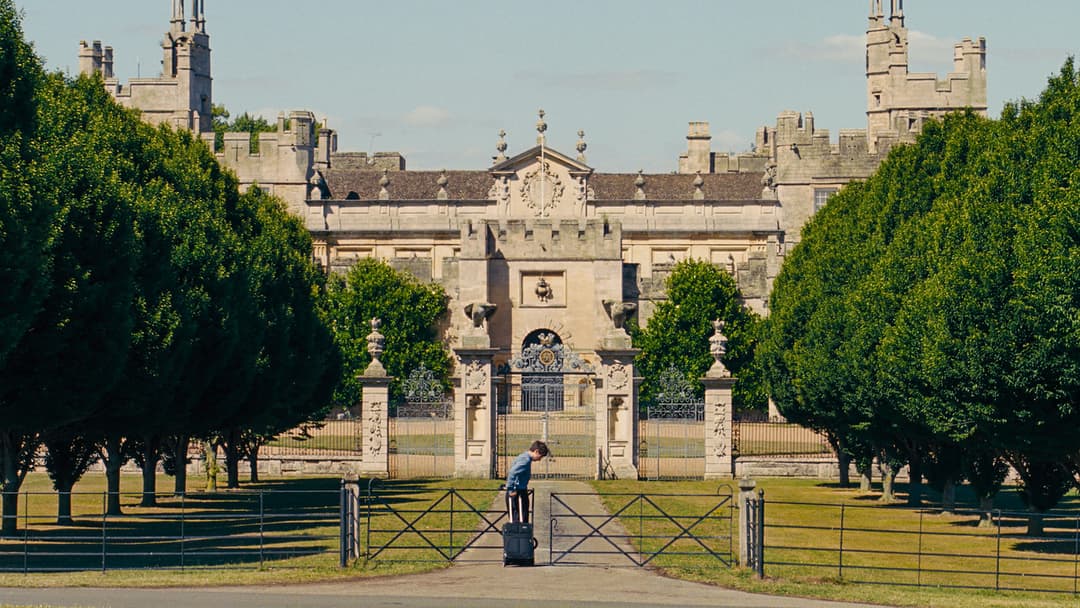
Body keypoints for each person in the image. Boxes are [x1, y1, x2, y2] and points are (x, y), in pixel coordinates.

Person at [505, 440, 549, 523]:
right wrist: (511, 489)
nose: (539, 459)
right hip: (518, 492)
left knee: (520, 519)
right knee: (520, 521)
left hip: (519, 490)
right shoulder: (525, 460)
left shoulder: (523, 456)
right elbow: (512, 473)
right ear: (536, 451)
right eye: (540, 456)